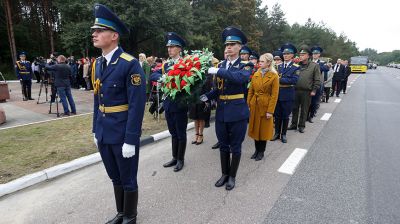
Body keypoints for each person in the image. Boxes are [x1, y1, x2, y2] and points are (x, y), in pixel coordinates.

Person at [91, 4, 146, 224]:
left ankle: (131, 217)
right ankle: (121, 213)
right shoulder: (97, 64)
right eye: (94, 30)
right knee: (114, 176)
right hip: (105, 131)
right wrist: (95, 129)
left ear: (114, 36)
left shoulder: (130, 64)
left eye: (99, 30)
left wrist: (131, 139)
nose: (94, 34)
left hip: (123, 132)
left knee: (128, 178)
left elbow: (137, 105)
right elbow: (97, 100)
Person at [201, 26, 253, 190]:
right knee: (223, 145)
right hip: (222, 112)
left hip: (237, 111)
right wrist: (206, 96)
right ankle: (224, 174)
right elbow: (219, 88)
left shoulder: (245, 65)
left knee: (235, 146)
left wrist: (219, 70)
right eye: (226, 45)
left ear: (240, 47)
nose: (228, 47)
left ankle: (232, 176)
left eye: (232, 44)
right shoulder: (222, 64)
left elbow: (239, 79)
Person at [160, 32, 189, 172]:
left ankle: (181, 159)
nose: (169, 49)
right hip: (169, 104)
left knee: (181, 133)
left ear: (179, 49)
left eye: (172, 47)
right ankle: (174, 157)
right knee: (173, 133)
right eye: (168, 47)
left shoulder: (186, 64)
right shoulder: (166, 65)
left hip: (180, 104)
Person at [247, 53, 279, 161]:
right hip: (255, 104)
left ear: (269, 63)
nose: (259, 63)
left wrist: (270, 111)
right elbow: (251, 90)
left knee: (263, 130)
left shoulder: (274, 76)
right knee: (255, 128)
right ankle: (256, 150)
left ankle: (261, 152)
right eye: (259, 61)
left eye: (262, 61)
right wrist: (249, 104)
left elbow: (274, 95)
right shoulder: (256, 74)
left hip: (265, 105)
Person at [288, 45, 321, 133]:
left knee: (304, 109)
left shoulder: (314, 66)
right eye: (300, 54)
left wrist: (314, 90)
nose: (301, 56)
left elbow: (317, 79)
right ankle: (293, 124)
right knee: (294, 108)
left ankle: (301, 125)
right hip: (295, 90)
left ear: (308, 55)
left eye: (303, 54)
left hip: (307, 91)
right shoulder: (296, 65)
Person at [271, 44, 299, 143]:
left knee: (285, 115)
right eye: (284, 53)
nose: (285, 55)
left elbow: (294, 80)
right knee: (277, 115)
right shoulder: (278, 66)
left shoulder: (296, 67)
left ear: (292, 55)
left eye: (288, 53)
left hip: (288, 94)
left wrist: (280, 79)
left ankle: (283, 134)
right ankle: (277, 133)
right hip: (278, 93)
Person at [189, 73, 212, 145]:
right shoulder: (192, 73)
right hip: (193, 99)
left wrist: (206, 100)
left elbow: (207, 88)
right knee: (195, 118)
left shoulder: (206, 74)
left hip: (202, 98)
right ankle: (196, 134)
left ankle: (201, 135)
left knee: (201, 118)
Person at [307, 46, 329, 123]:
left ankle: (311, 116)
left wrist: (316, 66)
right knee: (307, 101)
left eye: (316, 54)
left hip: (317, 85)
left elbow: (326, 69)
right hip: (308, 84)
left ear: (319, 55)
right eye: (313, 54)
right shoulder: (308, 61)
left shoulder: (322, 63)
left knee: (314, 102)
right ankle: (306, 115)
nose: (314, 55)